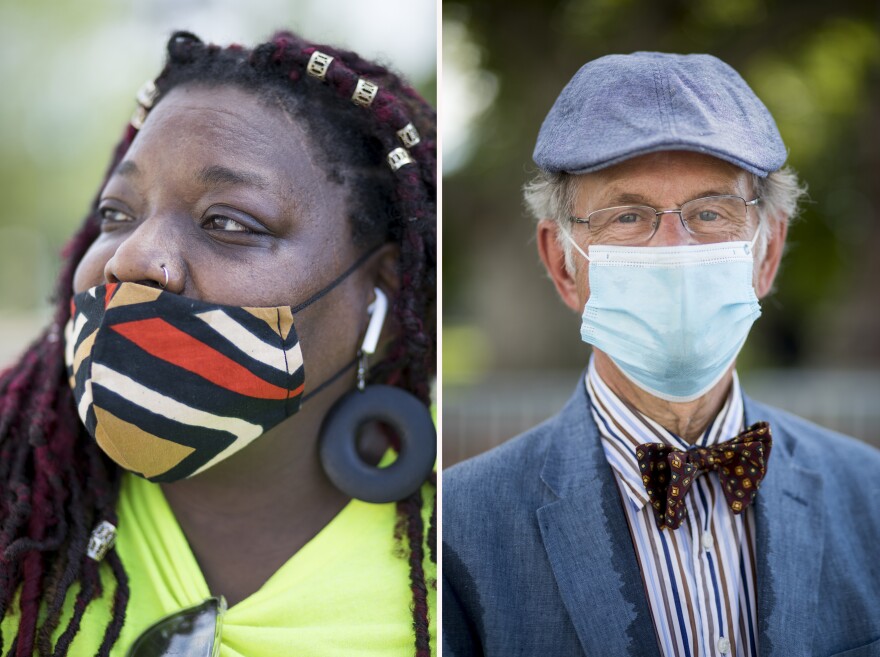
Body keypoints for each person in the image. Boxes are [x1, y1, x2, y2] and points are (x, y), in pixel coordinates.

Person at [0, 30, 437, 656]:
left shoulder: (461, 549)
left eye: (228, 221)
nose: (132, 256)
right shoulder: (19, 505)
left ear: (379, 292)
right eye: (117, 215)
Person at [443, 52, 880, 656]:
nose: (674, 247)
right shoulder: (459, 528)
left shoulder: (871, 498)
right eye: (628, 215)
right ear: (562, 264)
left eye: (709, 212)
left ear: (768, 252)